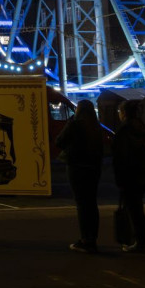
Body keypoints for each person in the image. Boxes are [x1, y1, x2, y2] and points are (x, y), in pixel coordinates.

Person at [56, 99, 104, 253]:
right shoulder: (97, 127)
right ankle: (93, 238)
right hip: (94, 169)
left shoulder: (75, 124)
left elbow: (60, 142)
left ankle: (85, 240)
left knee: (82, 205)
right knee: (91, 204)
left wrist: (70, 122)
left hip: (77, 168)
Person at [112, 100, 145, 253]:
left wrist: (119, 178)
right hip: (144, 174)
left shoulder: (124, 130)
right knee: (138, 209)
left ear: (124, 113)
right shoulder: (141, 127)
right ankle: (141, 240)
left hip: (130, 176)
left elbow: (121, 156)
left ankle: (140, 243)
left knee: (134, 210)